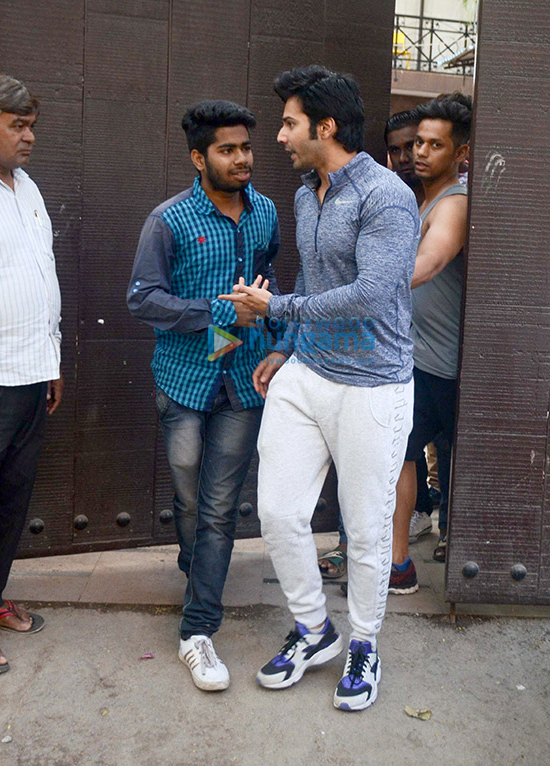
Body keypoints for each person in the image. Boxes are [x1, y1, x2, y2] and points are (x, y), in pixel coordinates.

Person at [220, 66, 419, 711]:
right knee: (278, 512)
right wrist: (282, 347)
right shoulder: (308, 192)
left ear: (325, 127)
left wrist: (275, 313)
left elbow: (371, 294)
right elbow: (309, 275)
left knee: (363, 531)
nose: (278, 136)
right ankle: (315, 629)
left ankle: (364, 643)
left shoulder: (386, 197)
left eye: (289, 123)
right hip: (306, 373)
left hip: (373, 386)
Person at [126, 100, 281, 692]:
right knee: (189, 496)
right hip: (186, 381)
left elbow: (271, 282)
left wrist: (273, 335)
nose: (242, 159)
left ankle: (197, 630)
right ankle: (200, 571)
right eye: (227, 149)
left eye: (246, 147)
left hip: (244, 381)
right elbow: (143, 300)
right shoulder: (168, 221)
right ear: (199, 157)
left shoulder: (265, 212)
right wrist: (220, 311)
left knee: (218, 507)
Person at [0, 73, 63, 675]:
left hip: (30, 373)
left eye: (31, 126)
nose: (28, 138)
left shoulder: (26, 187)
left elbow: (41, 274)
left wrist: (50, 358)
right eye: (16, 126)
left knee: (9, 500)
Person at [389, 94, 472, 593]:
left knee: (402, 455)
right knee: (398, 456)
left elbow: (432, 262)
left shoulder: (454, 203)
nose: (420, 152)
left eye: (434, 144)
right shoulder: (421, 198)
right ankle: (397, 562)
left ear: (460, 153)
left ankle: (400, 562)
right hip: (418, 359)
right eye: (418, 142)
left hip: (442, 367)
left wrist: (365, 288)